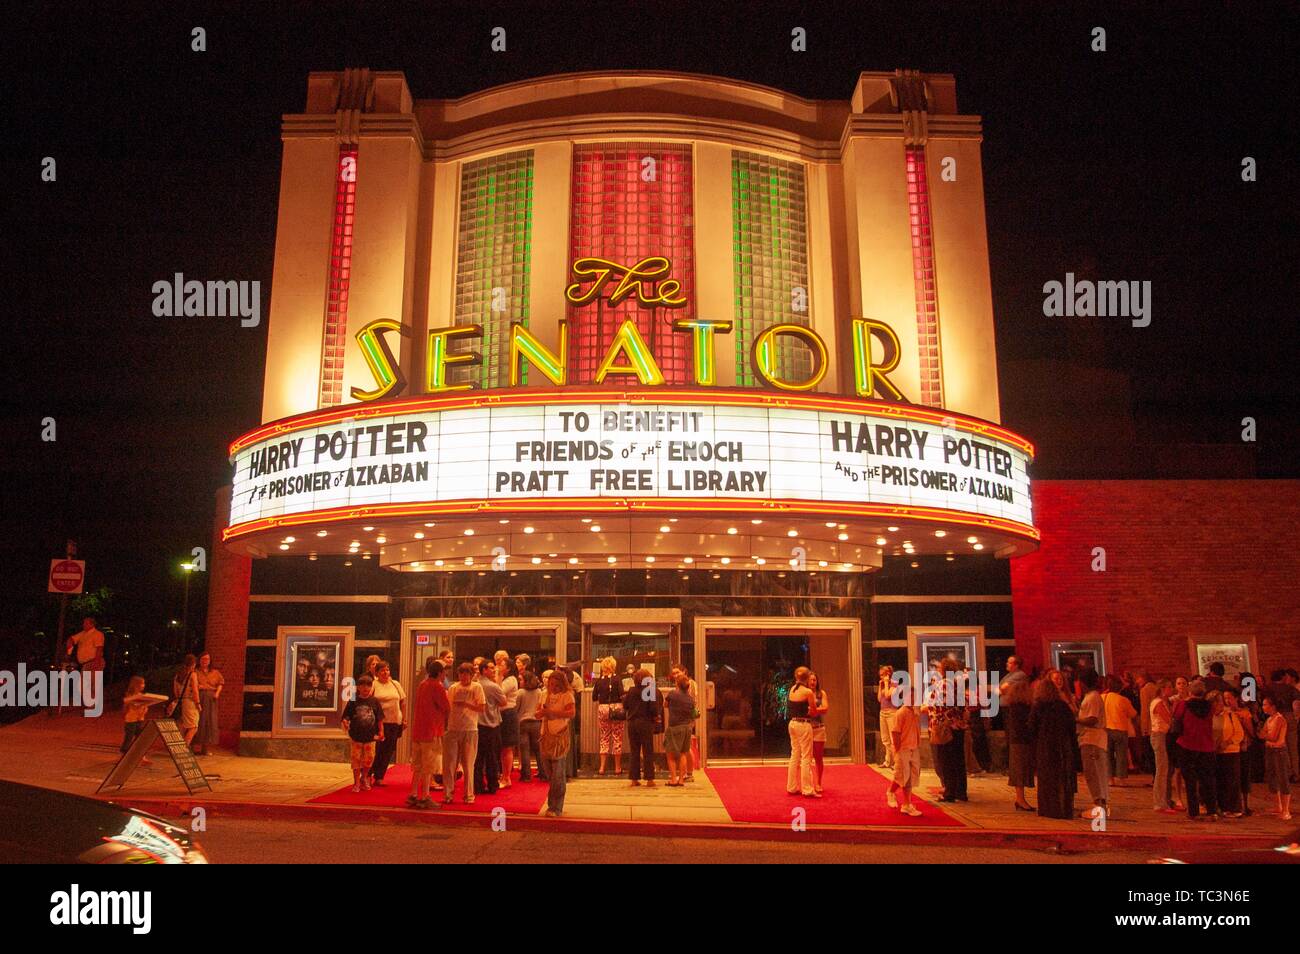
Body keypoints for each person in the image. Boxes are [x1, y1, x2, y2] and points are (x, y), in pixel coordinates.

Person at [1028, 676, 1077, 819]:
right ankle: (1064, 808)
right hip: (1062, 744)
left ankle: (1047, 809)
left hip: (1045, 745)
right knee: (1062, 777)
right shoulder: (1062, 706)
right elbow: (1071, 725)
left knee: (1046, 778)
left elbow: (1032, 727)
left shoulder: (1039, 706)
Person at [407, 658, 449, 810]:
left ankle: (412, 794)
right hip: (431, 731)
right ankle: (425, 796)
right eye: (444, 672)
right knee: (428, 766)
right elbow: (446, 706)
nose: (445, 675)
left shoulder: (422, 685)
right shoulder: (437, 686)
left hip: (418, 730)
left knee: (417, 766)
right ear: (439, 673)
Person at [1175, 680, 1219, 821]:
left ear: (1190, 691)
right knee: (1208, 780)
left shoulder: (1184, 705)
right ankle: (1212, 810)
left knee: (1190, 781)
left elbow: (1176, 717)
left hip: (1187, 744)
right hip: (1206, 746)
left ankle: (1193, 811)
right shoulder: (1209, 706)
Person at [926, 658, 968, 803]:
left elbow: (938, 705)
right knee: (959, 760)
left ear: (943, 670)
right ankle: (961, 792)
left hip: (945, 727)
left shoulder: (942, 684)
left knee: (946, 761)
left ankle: (949, 792)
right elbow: (963, 705)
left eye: (939, 669)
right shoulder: (958, 684)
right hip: (958, 726)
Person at [443, 663, 485, 804]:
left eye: (467, 673)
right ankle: (448, 794)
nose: (464, 676)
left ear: (471, 675)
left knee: (468, 765)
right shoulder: (453, 688)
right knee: (449, 765)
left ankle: (469, 795)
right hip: (453, 728)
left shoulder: (476, 687)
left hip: (470, 729)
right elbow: (447, 708)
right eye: (461, 673)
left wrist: (466, 704)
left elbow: (482, 708)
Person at [539, 669, 575, 816]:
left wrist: (553, 714)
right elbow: (538, 711)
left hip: (560, 736)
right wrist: (540, 713)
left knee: (558, 775)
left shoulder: (567, 696)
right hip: (545, 735)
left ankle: (555, 807)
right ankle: (552, 804)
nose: (553, 687)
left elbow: (571, 713)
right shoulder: (543, 695)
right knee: (549, 773)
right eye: (550, 684)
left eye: (555, 684)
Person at [1076, 667, 1110, 819]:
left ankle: (1099, 806)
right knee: (1098, 772)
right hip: (1094, 739)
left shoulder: (1092, 698)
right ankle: (1101, 805)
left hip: (1092, 739)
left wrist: (1075, 719)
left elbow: (1092, 719)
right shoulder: (1092, 697)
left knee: (1094, 773)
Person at [341, 675, 385, 792]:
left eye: (368, 685)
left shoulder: (374, 701)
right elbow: (346, 716)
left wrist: (381, 731)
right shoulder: (353, 700)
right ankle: (356, 782)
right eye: (363, 685)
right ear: (358, 687)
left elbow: (380, 718)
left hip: (370, 736)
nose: (365, 688)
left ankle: (364, 777)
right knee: (356, 760)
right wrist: (345, 722)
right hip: (356, 736)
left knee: (369, 760)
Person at [369, 661, 406, 786]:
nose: (386, 673)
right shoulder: (374, 684)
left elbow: (402, 702)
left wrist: (404, 719)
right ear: (377, 673)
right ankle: (368, 774)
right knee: (377, 750)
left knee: (388, 750)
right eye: (382, 671)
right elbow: (369, 701)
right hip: (379, 722)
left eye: (387, 670)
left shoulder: (395, 684)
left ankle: (379, 777)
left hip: (394, 721)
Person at [786, 666, 819, 798]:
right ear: (807, 678)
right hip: (803, 724)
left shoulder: (792, 690)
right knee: (806, 756)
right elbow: (814, 711)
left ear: (796, 677)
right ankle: (807, 789)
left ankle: (792, 786)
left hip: (792, 723)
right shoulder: (807, 692)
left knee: (794, 755)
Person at [1003, 675, 1035, 811]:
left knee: (1019, 771)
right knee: (1020, 771)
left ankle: (1020, 799)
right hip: (1021, 742)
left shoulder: (1013, 707)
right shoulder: (1023, 708)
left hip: (1016, 741)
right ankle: (1020, 799)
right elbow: (1028, 725)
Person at [474, 659, 505, 796]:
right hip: (491, 725)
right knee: (492, 757)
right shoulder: (493, 686)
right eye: (491, 668)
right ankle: (493, 785)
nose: (494, 670)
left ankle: (478, 786)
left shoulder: (475, 685)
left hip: (476, 725)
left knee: (478, 758)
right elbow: (503, 702)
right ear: (484, 670)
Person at [886, 700, 923, 816]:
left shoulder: (915, 711)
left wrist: (917, 744)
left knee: (910, 776)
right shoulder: (900, 713)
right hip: (903, 748)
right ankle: (900, 799)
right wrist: (897, 749)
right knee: (903, 775)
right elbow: (895, 732)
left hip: (914, 747)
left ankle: (903, 801)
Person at [623, 668, 658, 787]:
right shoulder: (649, 690)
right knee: (648, 750)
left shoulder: (631, 691)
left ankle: (634, 779)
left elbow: (625, 705)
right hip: (645, 722)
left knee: (634, 751)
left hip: (632, 723)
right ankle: (649, 779)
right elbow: (653, 709)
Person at [1260, 696, 1292, 820]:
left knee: (1283, 778)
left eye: (1265, 704)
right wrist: (1265, 735)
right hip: (1270, 750)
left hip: (1279, 751)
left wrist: (1265, 735)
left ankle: (1286, 809)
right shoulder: (1269, 719)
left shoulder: (1279, 719)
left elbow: (1273, 737)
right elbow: (1262, 734)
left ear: (1273, 706)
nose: (1263, 707)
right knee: (1272, 777)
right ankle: (1278, 806)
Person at [592, 656, 625, 777]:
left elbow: (594, 697)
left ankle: (601, 768)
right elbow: (622, 694)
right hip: (616, 708)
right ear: (613, 666)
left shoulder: (599, 681)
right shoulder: (617, 679)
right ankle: (617, 767)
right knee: (617, 737)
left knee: (604, 737)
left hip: (603, 709)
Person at [1215, 688, 1246, 818]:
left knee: (1232, 779)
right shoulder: (1213, 717)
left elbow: (1239, 733)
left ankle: (1235, 807)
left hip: (1231, 751)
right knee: (1221, 780)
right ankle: (1224, 806)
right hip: (1217, 752)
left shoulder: (1230, 715)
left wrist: (1228, 742)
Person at [1149, 679, 1178, 813]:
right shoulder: (1158, 703)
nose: (1171, 689)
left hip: (1162, 735)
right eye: (1169, 687)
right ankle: (1159, 803)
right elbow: (1168, 719)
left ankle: (1163, 801)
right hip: (1159, 735)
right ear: (1162, 689)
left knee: (1164, 769)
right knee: (1161, 770)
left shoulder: (1163, 702)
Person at [1103, 675, 1137, 785]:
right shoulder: (1123, 700)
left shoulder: (1102, 697)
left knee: (1107, 755)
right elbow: (1133, 713)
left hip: (1105, 729)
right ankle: (1121, 779)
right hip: (1120, 729)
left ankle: (1109, 779)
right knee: (1121, 755)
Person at [664, 673, 695, 786]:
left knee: (670, 754)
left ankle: (673, 779)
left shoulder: (672, 694)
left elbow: (665, 705)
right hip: (687, 728)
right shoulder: (691, 699)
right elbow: (693, 714)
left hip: (674, 727)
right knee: (683, 753)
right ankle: (681, 779)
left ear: (677, 684)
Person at [516, 667, 545, 782]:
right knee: (538, 750)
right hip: (537, 723)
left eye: (521, 680)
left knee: (525, 750)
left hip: (523, 723)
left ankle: (526, 775)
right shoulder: (539, 692)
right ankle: (543, 773)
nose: (520, 682)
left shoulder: (520, 693)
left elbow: (516, 708)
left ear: (526, 680)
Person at [495, 650, 519, 789]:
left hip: (508, 714)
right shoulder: (505, 678)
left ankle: (507, 777)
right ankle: (504, 776)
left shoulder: (511, 680)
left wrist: (498, 676)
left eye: (502, 664)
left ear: (508, 668)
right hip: (502, 713)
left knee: (507, 747)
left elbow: (499, 692)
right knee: (502, 748)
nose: (499, 665)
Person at [192, 652, 224, 756]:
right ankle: (192, 747)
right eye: (203, 659)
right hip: (200, 698)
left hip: (211, 699)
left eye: (207, 659)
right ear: (199, 660)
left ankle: (204, 748)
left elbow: (220, 683)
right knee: (198, 721)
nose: (205, 661)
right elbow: (194, 686)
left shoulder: (215, 672)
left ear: (210, 661)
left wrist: (217, 693)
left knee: (209, 721)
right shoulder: (195, 672)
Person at [169, 654, 201, 749]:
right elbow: (195, 690)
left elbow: (175, 691)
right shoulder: (192, 674)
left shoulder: (178, 675)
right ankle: (184, 748)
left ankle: (178, 748)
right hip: (190, 703)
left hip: (180, 701)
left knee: (182, 726)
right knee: (193, 727)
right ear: (193, 664)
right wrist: (198, 703)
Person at [121, 676, 154, 765]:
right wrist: (141, 705)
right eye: (142, 683)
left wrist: (145, 706)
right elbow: (132, 706)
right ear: (136, 685)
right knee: (128, 739)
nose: (144, 685)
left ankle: (141, 757)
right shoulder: (130, 696)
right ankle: (123, 758)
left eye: (144, 683)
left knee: (140, 739)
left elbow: (143, 708)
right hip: (131, 720)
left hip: (139, 719)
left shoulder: (141, 696)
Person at [808, 671, 830, 795]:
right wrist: (818, 710)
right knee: (806, 758)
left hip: (819, 729)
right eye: (810, 680)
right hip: (807, 729)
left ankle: (818, 782)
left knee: (818, 758)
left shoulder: (821, 693)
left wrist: (814, 710)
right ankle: (808, 783)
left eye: (814, 680)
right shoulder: (804, 694)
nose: (812, 682)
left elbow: (826, 708)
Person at [877, 664, 898, 769]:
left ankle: (896, 762)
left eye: (883, 675)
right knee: (885, 739)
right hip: (883, 712)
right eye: (880, 675)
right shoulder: (881, 684)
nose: (881, 677)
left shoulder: (894, 684)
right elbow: (880, 699)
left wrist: (886, 683)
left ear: (888, 674)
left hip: (891, 712)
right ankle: (887, 761)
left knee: (893, 738)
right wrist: (881, 686)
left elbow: (888, 695)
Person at [1137, 671, 1158, 775]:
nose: (1137, 681)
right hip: (1157, 723)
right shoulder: (1155, 687)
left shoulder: (1145, 690)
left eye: (1139, 678)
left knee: (1150, 752)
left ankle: (1155, 777)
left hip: (1149, 724)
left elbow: (1145, 709)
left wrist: (1144, 726)